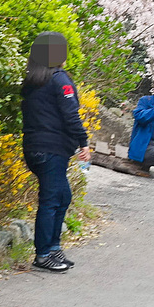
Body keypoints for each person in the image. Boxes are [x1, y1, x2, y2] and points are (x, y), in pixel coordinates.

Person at [20, 31, 90, 273]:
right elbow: (71, 115)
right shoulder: (60, 79)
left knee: (62, 196)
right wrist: (83, 142)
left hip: (35, 148)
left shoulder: (33, 80)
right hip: (51, 150)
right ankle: (43, 255)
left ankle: (53, 248)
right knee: (51, 200)